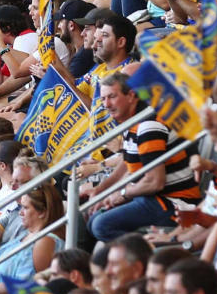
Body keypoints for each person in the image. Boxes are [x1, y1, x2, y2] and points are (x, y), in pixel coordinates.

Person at [85, 73, 201, 241]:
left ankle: (150, 255)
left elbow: (155, 181)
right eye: (103, 99)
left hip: (174, 203)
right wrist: (102, 189)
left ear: (131, 95)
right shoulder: (131, 120)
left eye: (112, 97)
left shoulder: (148, 126)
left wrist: (123, 193)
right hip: (152, 197)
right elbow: (128, 162)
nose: (107, 104)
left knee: (101, 225)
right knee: (92, 218)